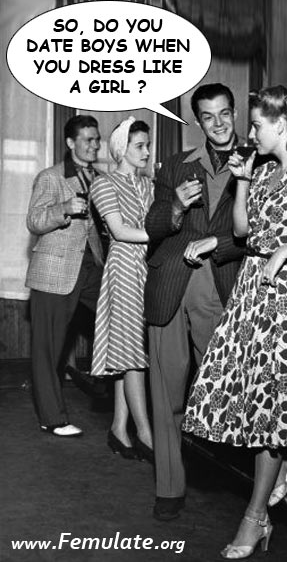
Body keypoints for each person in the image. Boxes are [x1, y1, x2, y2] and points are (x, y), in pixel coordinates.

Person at [182, 85, 287, 559]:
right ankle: (284, 461)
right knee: (244, 398)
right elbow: (242, 231)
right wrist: (242, 180)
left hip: (285, 298)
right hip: (250, 291)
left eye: (257, 124)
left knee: (270, 406)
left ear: (281, 124)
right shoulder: (261, 170)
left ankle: (255, 518)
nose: (251, 133)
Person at [144, 83, 247, 521]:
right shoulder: (177, 164)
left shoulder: (257, 163)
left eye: (224, 113)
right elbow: (152, 225)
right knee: (166, 392)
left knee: (227, 389)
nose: (218, 123)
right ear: (198, 121)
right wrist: (175, 208)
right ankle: (169, 487)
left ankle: (247, 483)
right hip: (170, 285)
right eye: (208, 116)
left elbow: (264, 231)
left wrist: (217, 243)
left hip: (221, 287)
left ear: (235, 113)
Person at [26, 115, 104, 437]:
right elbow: (34, 220)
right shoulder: (51, 177)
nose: (94, 145)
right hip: (54, 270)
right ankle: (52, 418)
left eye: (97, 139)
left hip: (92, 268)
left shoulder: (99, 178)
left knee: (118, 321)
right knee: (48, 349)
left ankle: (111, 392)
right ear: (71, 143)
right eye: (88, 139)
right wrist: (63, 209)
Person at [90, 117, 154, 462]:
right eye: (139, 146)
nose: (147, 151)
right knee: (133, 353)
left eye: (148, 145)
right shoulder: (104, 184)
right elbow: (119, 231)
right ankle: (144, 433)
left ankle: (118, 428)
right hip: (125, 268)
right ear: (121, 148)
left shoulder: (149, 185)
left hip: (147, 267)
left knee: (126, 350)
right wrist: (161, 232)